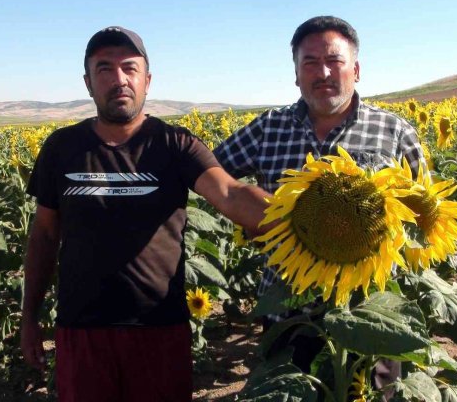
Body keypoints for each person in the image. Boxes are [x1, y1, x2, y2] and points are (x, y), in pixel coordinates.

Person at [20, 26, 270, 402]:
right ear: (88, 83)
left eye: (130, 68)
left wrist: (296, 215)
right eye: (104, 69)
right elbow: (43, 236)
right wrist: (29, 318)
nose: (119, 79)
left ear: (147, 80)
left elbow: (229, 192)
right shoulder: (61, 148)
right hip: (81, 330)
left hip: (159, 330)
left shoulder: (175, 144)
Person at [213, 16, 428, 401]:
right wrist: (252, 213)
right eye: (310, 63)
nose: (323, 72)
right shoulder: (268, 129)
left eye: (335, 60)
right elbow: (209, 172)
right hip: (287, 311)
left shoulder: (393, 131)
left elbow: (424, 216)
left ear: (356, 70)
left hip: (369, 313)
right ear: (296, 74)